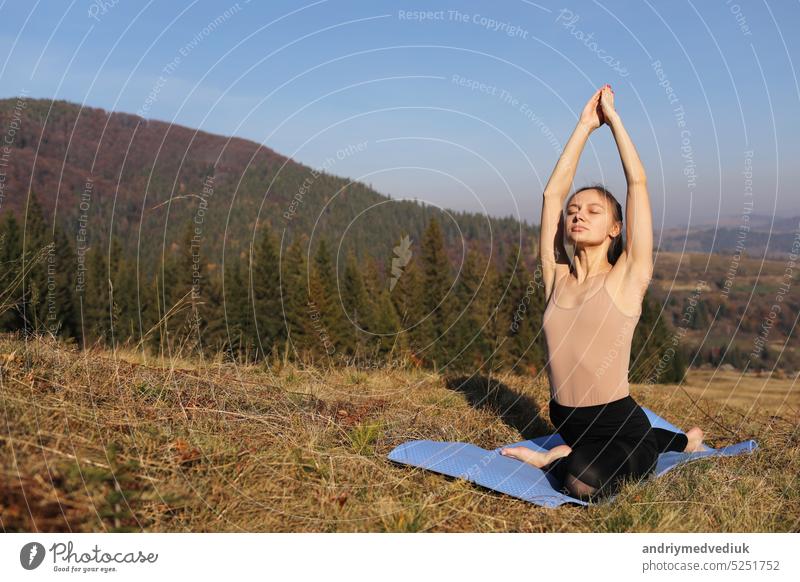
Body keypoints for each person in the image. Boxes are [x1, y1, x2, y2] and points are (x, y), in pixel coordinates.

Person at [500, 85, 706, 502]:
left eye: (593, 211)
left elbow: (638, 184)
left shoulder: (628, 276)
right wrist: (582, 127)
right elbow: (551, 195)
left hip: (616, 422)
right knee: (588, 465)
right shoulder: (557, 275)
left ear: (615, 229)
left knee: (582, 480)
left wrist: (612, 122)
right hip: (566, 419)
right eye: (575, 211)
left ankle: (679, 443)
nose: (578, 215)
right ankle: (679, 441)